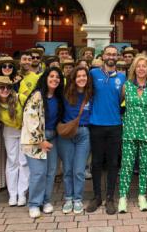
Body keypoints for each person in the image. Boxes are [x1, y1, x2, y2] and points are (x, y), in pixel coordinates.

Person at [86, 45, 126, 214]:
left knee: (113, 163)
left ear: (117, 57)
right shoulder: (92, 74)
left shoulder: (123, 77)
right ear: (102, 56)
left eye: (114, 54)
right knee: (96, 162)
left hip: (115, 125)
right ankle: (97, 197)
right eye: (108, 53)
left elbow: (124, 100)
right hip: (95, 124)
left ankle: (110, 197)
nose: (111, 56)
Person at [21, 67, 64, 218]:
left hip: (53, 138)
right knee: (38, 173)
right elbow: (30, 119)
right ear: (45, 78)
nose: (54, 79)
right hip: (35, 141)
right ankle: (34, 204)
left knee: (51, 172)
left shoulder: (58, 97)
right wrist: (40, 141)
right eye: (51, 76)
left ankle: (46, 200)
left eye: (57, 77)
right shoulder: (37, 95)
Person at [118, 55, 147, 213]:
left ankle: (142, 195)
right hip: (129, 131)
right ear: (134, 69)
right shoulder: (126, 86)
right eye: (138, 66)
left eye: (144, 66)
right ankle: (123, 197)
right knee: (126, 165)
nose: (141, 69)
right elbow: (118, 106)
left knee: (145, 166)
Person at [56, 66, 92, 214]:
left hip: (84, 133)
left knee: (79, 170)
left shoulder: (91, 94)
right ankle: (68, 198)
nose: (82, 78)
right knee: (68, 169)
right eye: (78, 76)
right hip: (67, 134)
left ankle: (78, 199)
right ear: (73, 78)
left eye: (84, 76)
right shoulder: (65, 93)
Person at [0, 76, 29, 207]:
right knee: (12, 161)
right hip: (9, 130)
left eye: (7, 87)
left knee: (23, 162)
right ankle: (13, 194)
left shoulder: (20, 98)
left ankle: (22, 193)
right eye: (1, 87)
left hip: (24, 131)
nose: (5, 90)